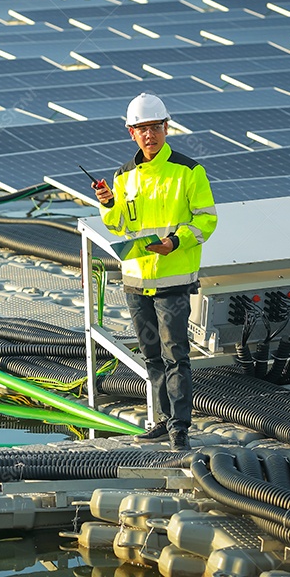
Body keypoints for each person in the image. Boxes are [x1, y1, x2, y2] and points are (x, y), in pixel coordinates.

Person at [93, 92, 217, 450]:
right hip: (135, 280)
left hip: (173, 279)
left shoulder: (189, 171)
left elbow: (206, 220)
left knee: (175, 354)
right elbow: (118, 226)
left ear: (167, 127)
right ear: (131, 132)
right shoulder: (122, 177)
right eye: (141, 129)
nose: (149, 135)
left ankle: (180, 427)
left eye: (155, 127)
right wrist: (107, 204)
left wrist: (175, 242)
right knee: (151, 355)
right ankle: (162, 420)